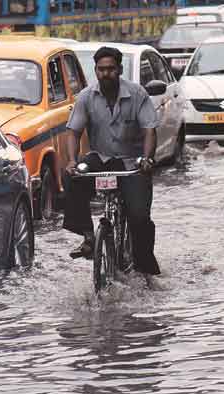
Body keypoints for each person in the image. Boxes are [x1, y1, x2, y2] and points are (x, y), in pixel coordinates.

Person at [62, 46, 161, 278]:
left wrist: (147, 159)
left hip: (131, 164)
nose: (106, 74)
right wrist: (71, 161)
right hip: (101, 158)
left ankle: (144, 266)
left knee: (139, 218)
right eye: (101, 70)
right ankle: (88, 237)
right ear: (95, 71)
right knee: (72, 176)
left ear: (119, 70)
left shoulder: (137, 95)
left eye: (110, 69)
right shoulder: (86, 97)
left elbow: (149, 130)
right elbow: (73, 132)